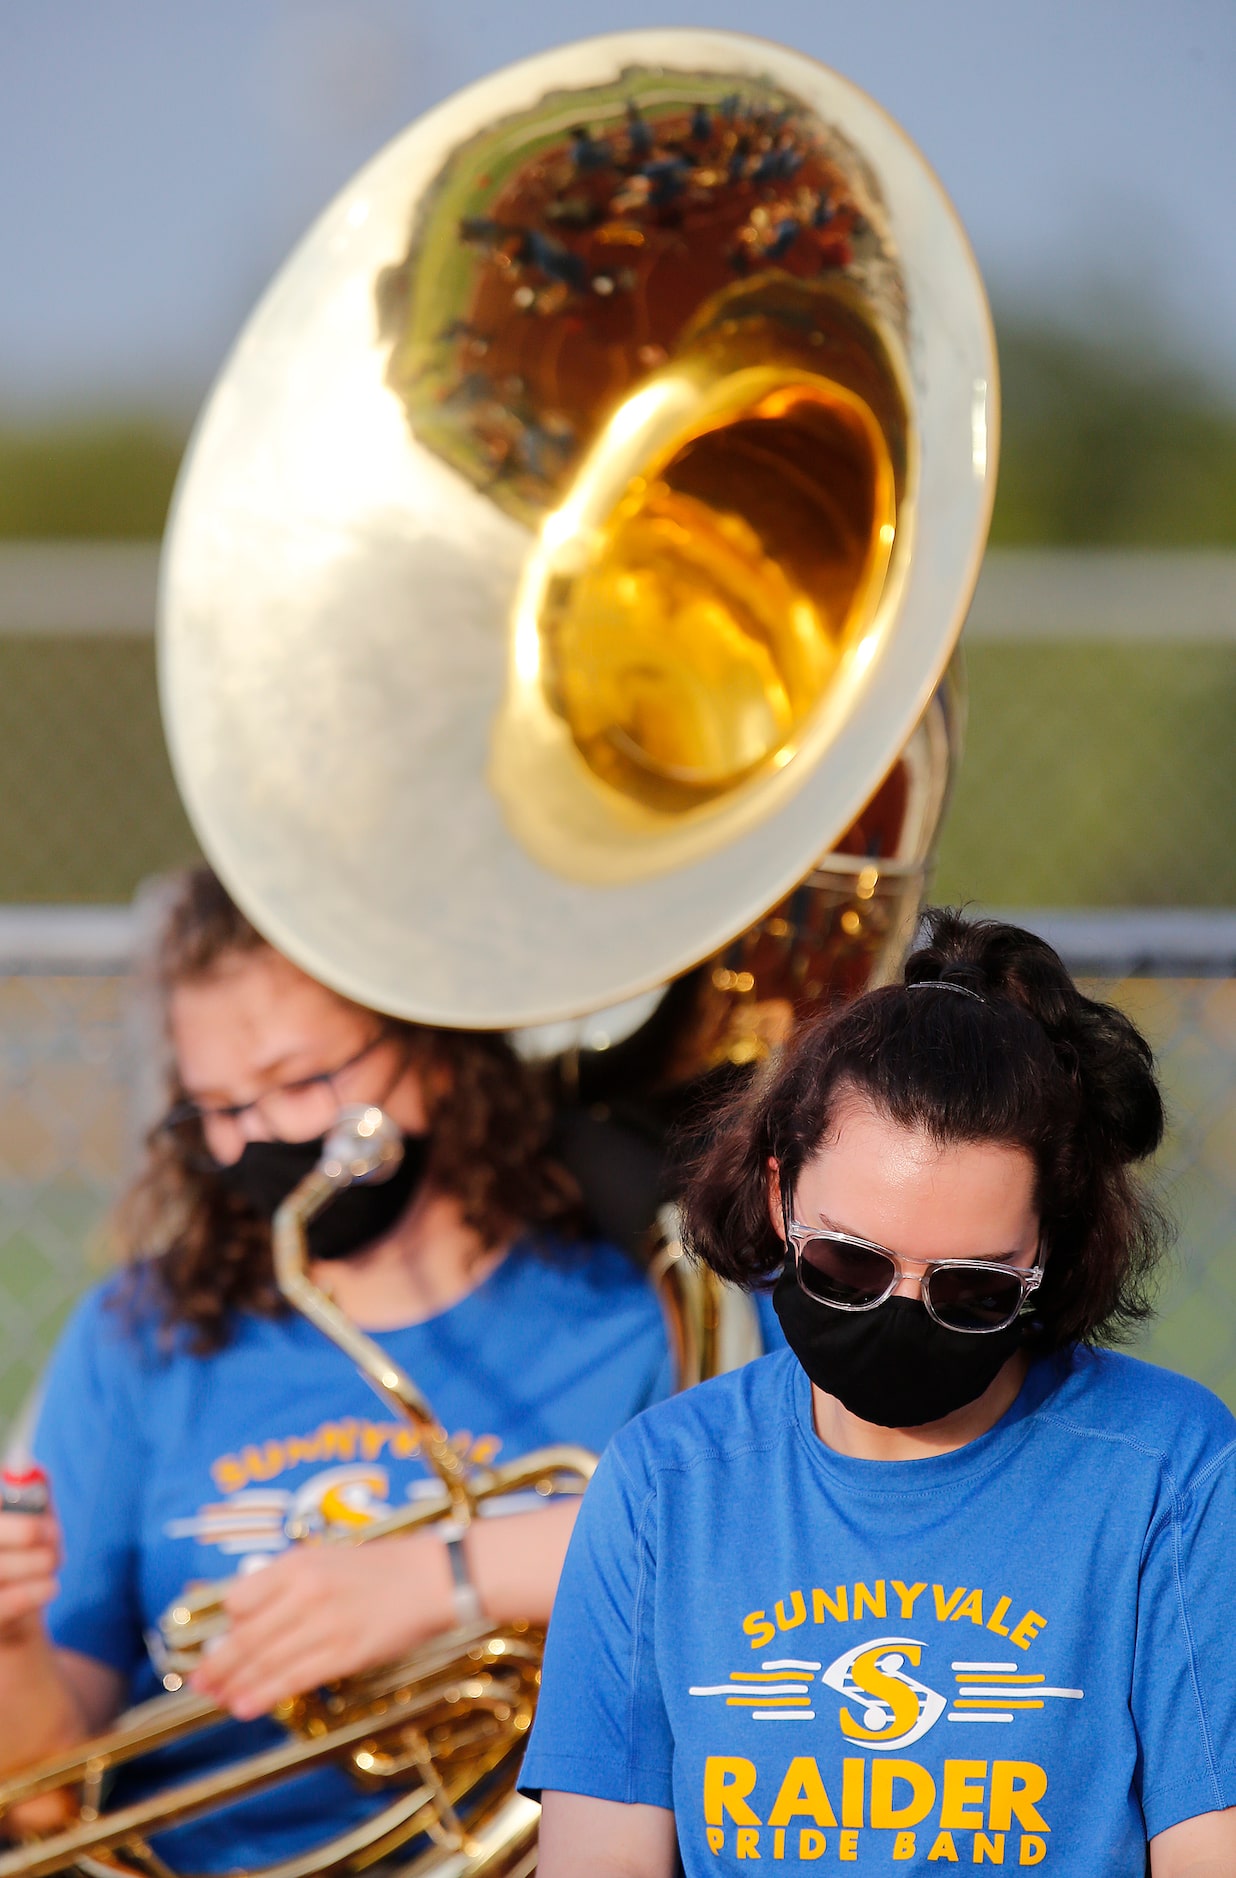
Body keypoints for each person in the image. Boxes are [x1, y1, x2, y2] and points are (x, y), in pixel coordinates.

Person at [0, 863, 752, 1871]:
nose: (255, 1138)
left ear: (430, 1053)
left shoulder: (625, 1318)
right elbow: (46, 1797)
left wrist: (444, 1579)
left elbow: (747, 1547)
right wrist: (9, 1641)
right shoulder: (144, 1334)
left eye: (302, 1084)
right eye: (216, 1108)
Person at [524, 910, 1236, 1877]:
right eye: (849, 1266)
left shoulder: (1172, 1468)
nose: (901, 1314)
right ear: (779, 1197)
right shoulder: (662, 1481)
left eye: (972, 1288)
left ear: (1049, 1252)